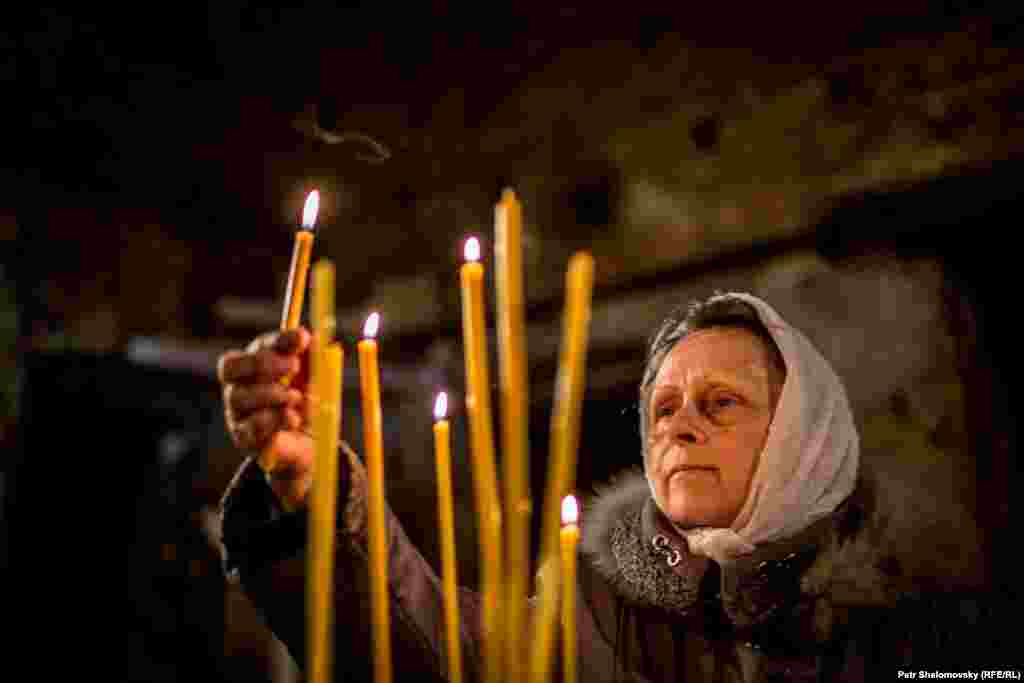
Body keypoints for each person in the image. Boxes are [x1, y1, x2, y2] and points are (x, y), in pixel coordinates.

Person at [216, 292, 999, 682]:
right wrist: (310, 483)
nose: (677, 428)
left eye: (720, 402)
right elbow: (426, 645)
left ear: (807, 436)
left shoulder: (929, 621)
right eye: (662, 408)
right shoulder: (605, 609)